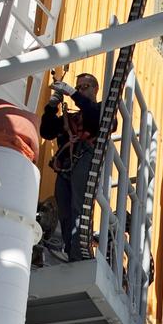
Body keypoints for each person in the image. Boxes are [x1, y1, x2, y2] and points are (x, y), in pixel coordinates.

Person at [40, 72, 101, 261]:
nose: (81, 90)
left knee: (78, 206)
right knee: (64, 209)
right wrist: (52, 107)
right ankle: (69, 249)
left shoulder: (100, 109)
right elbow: (47, 132)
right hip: (66, 166)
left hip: (85, 158)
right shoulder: (72, 118)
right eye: (79, 86)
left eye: (85, 87)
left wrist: (72, 93)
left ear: (95, 89)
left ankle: (78, 251)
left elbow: (94, 118)